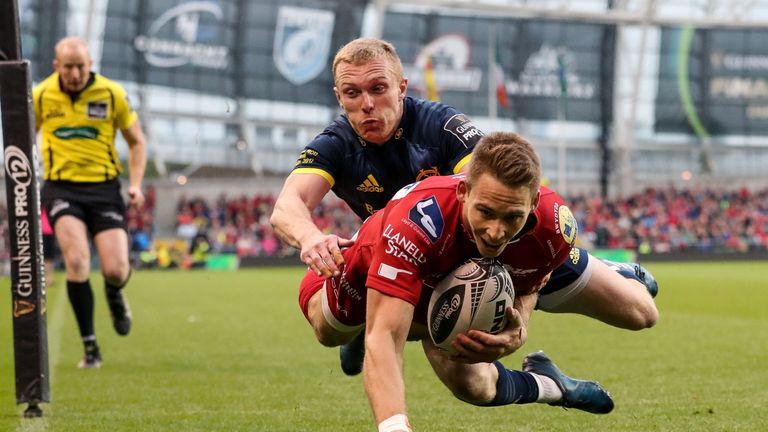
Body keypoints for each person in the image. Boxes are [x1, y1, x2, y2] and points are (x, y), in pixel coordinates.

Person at [270, 38, 658, 375]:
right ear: (339, 98)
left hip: (506, 247)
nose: (368, 104)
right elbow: (287, 205)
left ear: (402, 87)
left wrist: (523, 303)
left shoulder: (442, 127)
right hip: (430, 261)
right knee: (431, 346)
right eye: (353, 94)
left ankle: (609, 267)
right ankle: (362, 324)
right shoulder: (335, 144)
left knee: (639, 314)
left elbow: (496, 196)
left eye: (379, 88)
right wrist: (309, 237)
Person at [298, 133, 614, 431]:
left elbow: (531, 285)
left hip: (440, 294)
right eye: (486, 212)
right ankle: (356, 333)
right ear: (463, 193)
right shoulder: (418, 220)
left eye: (512, 218)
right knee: (330, 332)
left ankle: (552, 386)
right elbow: (384, 336)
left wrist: (518, 331)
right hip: (365, 276)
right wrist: (395, 426)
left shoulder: (554, 225)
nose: (495, 231)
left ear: (532, 206)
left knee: (475, 386)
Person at [34, 36, 147, 369]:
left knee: (115, 269)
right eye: (68, 67)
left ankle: (114, 293)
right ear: (56, 67)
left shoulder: (111, 94)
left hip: (104, 189)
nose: (75, 73)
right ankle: (91, 348)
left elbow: (137, 142)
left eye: (81, 66)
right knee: (78, 260)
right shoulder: (41, 95)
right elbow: (23, 136)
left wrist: (137, 185)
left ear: (90, 64)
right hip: (60, 188)